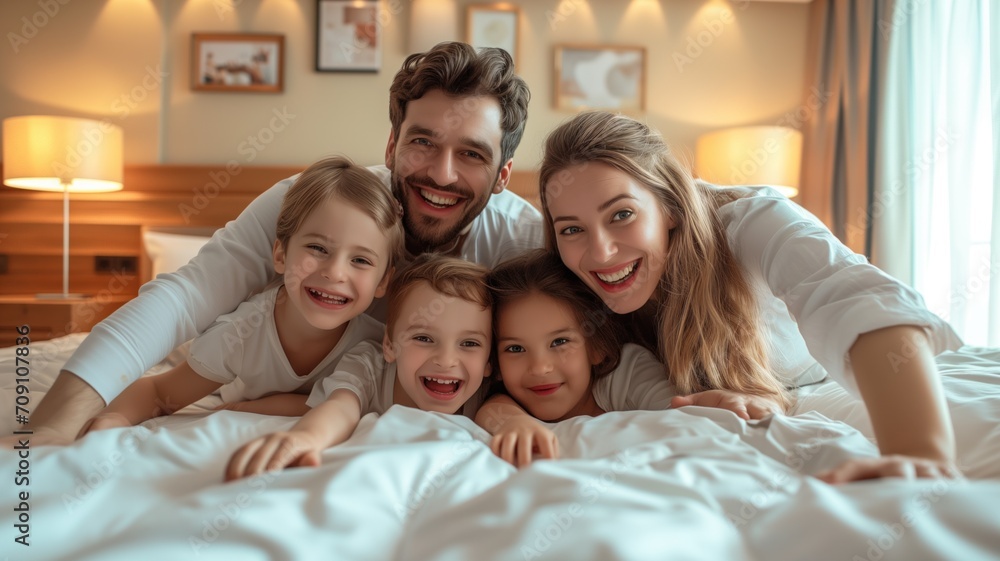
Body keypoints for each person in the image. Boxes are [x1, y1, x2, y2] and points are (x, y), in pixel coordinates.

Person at [26, 42, 542, 444]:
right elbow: (184, 298)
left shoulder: (524, 242)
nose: (441, 173)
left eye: (472, 154)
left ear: (503, 174)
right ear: (391, 145)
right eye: (422, 142)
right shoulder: (311, 204)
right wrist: (54, 424)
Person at [534, 110, 963, 482]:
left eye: (622, 214)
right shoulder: (566, 285)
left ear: (670, 206)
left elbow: (861, 301)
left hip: (821, 381)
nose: (600, 251)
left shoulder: (754, 223)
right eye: (572, 228)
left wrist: (918, 454)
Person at [76, 156, 404, 437]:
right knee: (190, 350)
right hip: (221, 354)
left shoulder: (372, 343)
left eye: (360, 260)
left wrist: (265, 407)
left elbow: (354, 401)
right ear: (280, 255)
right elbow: (160, 392)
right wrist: (112, 420)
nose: (335, 273)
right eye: (317, 248)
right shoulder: (240, 335)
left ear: (382, 282)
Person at [225, 254, 493, 480]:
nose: (446, 360)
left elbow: (507, 414)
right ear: (389, 344)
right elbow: (339, 407)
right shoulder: (369, 365)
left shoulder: (485, 395)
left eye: (469, 343)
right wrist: (305, 438)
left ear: (490, 360)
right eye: (423, 338)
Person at [475, 250, 676, 467]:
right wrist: (514, 423)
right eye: (515, 348)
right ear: (494, 362)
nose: (540, 368)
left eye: (560, 342)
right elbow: (493, 408)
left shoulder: (626, 373)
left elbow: (677, 411)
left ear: (596, 346)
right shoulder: (505, 398)